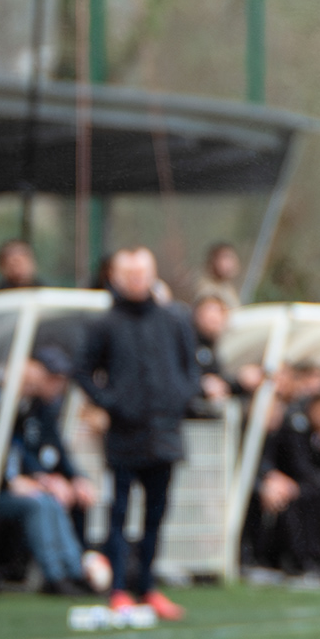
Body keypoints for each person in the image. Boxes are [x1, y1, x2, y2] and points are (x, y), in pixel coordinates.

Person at [74, 246, 204, 620]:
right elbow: (82, 370)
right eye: (128, 273)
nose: (136, 280)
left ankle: (147, 586)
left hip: (165, 432)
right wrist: (112, 402)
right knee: (119, 512)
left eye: (142, 272)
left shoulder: (175, 319)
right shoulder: (105, 324)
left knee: (156, 514)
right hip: (124, 435)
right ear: (115, 277)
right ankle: (118, 589)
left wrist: (180, 397)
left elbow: (190, 368)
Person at [0, 347, 110, 595]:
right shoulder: (1, 407)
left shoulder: (39, 410)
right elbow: (10, 454)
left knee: (56, 500)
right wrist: (27, 480)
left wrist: (76, 478)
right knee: (43, 503)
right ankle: (56, 577)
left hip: (28, 486)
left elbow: (55, 451)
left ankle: (75, 571)